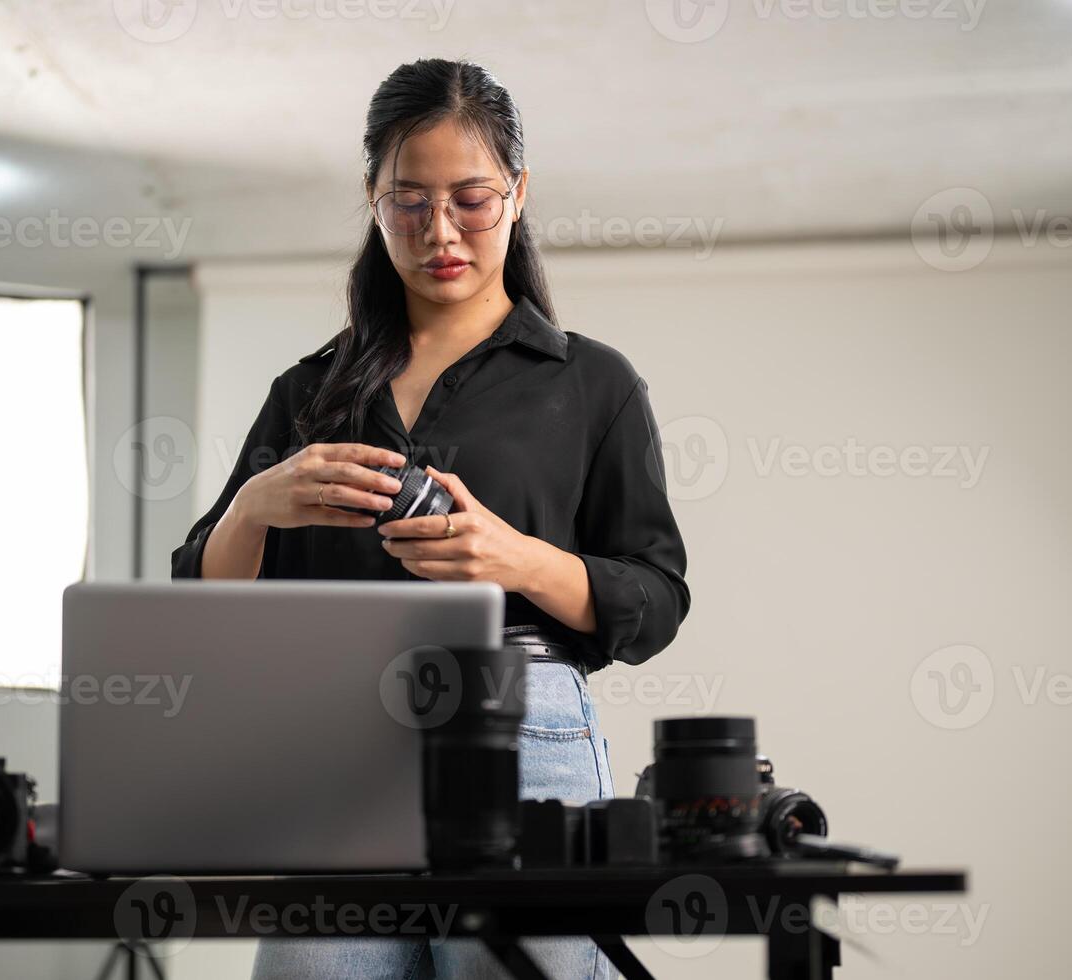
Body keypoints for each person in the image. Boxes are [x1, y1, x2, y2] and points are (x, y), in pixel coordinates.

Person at [171, 56, 691, 980]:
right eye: (407, 201)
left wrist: (519, 559)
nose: (439, 230)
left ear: (519, 194)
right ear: (371, 199)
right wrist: (253, 506)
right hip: (332, 736)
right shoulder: (305, 393)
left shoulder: (591, 383)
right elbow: (202, 602)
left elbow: (655, 599)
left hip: (521, 731)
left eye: (471, 198)